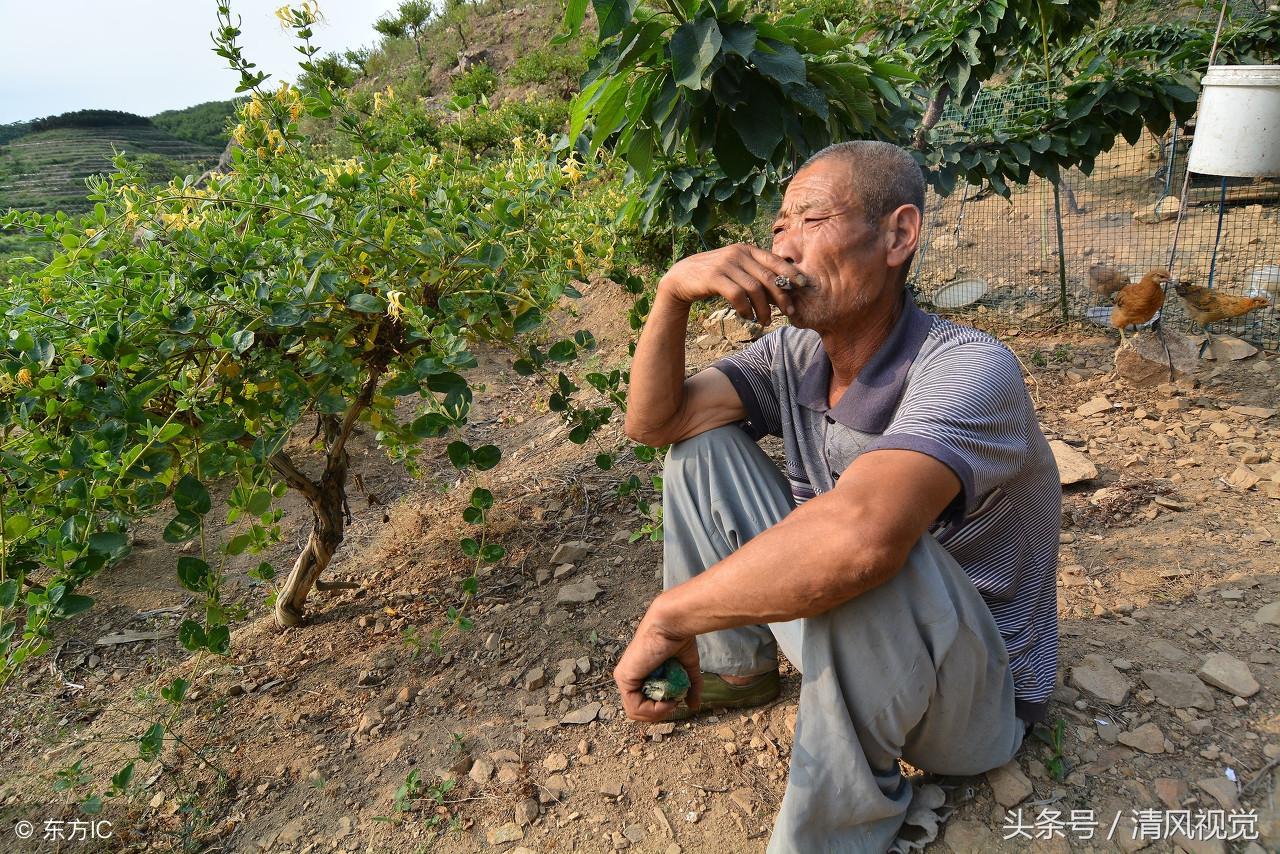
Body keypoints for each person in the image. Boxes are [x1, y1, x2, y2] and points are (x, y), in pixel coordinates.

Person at [615, 140, 1061, 853]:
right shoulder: (793, 356)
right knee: (700, 450)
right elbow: (656, 423)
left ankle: (835, 835)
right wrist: (671, 294)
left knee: (863, 543)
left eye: (811, 218)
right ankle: (739, 670)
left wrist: (670, 616)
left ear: (898, 235)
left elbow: (861, 540)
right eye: (776, 229)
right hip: (877, 647)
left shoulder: (972, 368)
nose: (784, 249)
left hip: (976, 700)